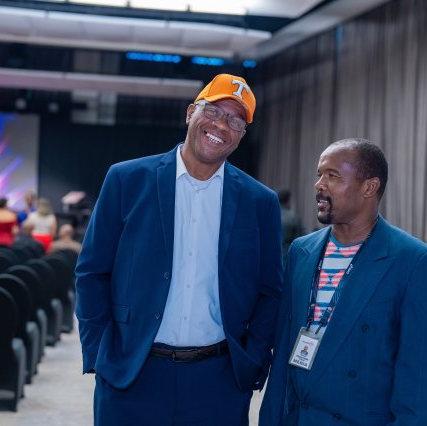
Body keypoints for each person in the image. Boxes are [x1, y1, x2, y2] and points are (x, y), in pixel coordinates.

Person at [75, 73, 283, 426]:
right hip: (132, 374)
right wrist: (99, 352)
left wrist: (252, 361)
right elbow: (92, 271)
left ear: (242, 134)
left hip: (218, 382)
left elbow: (270, 291)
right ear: (190, 113)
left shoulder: (259, 201)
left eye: (236, 120)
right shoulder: (126, 179)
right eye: (213, 111)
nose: (222, 125)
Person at [260, 139, 427, 426]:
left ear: (369, 187)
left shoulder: (414, 262)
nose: (319, 184)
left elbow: (420, 379)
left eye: (332, 176)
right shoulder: (301, 251)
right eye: (319, 174)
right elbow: (284, 350)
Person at [277, 188, 303, 258]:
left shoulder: (269, 215)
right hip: (286, 257)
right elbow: (298, 241)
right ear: (288, 200)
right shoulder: (293, 217)